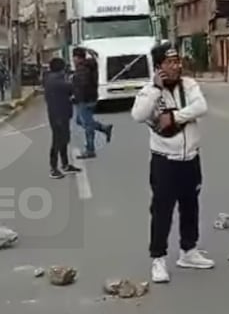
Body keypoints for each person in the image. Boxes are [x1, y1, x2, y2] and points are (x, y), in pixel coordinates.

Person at [130, 43, 213, 284]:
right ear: (159, 67)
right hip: (164, 162)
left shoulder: (189, 85)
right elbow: (138, 115)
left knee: (190, 206)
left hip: (190, 158)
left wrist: (175, 116)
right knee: (162, 211)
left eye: (177, 61)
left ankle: (189, 251)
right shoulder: (149, 91)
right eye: (169, 62)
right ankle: (158, 259)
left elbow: (201, 107)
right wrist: (156, 89)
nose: (176, 66)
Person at [43, 57, 82, 179]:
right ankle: (53, 168)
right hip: (59, 115)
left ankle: (65, 165)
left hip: (58, 113)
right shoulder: (58, 81)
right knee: (58, 141)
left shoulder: (49, 78)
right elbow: (72, 90)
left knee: (63, 140)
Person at [71, 47, 113, 159]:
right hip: (91, 97)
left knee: (87, 124)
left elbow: (82, 85)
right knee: (80, 120)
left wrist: (75, 94)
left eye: (74, 57)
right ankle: (104, 128)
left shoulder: (82, 69)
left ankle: (90, 149)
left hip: (85, 99)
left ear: (77, 58)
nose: (73, 60)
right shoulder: (89, 65)